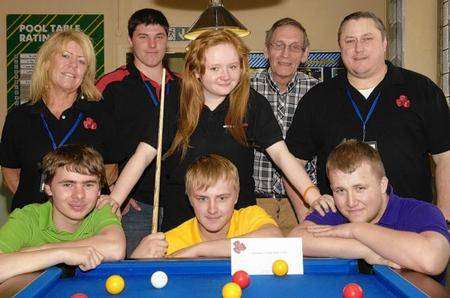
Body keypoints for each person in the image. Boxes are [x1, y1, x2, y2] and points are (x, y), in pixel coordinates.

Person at [106, 29, 335, 232]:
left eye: (232, 67)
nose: (226, 75)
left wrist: (311, 195)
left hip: (238, 221)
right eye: (215, 68)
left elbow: (281, 154)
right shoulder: (174, 99)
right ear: (196, 71)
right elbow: (144, 154)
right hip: (182, 221)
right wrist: (114, 201)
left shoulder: (252, 102)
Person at [285, 11, 450, 219]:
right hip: (339, 226)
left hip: (410, 223)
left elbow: (446, 158)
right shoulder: (317, 98)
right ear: (340, 48)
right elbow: (291, 163)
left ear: (384, 43)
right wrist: (306, 215)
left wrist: (445, 219)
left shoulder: (422, 90)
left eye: (367, 39)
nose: (358, 48)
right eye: (350, 40)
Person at [289, 140, 450, 283]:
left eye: (360, 188)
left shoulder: (421, 212)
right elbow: (295, 240)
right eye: (340, 190)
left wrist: (356, 230)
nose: (351, 202)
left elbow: (433, 260)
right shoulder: (333, 210)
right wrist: (365, 250)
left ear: (382, 185)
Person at [0, 29, 117, 211]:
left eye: (81, 61)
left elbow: (110, 169)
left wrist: (77, 206)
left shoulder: (101, 113)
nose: (73, 66)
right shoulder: (19, 117)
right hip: (32, 223)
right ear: (46, 62)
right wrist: (43, 209)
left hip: (86, 224)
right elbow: (9, 171)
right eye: (65, 56)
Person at [95, 8, 180, 254]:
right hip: (133, 205)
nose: (152, 45)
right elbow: (92, 145)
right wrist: (111, 191)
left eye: (159, 37)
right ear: (132, 41)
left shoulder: (184, 87)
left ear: (167, 40)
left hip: (179, 202)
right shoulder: (110, 85)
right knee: (130, 275)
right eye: (144, 37)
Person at [0, 145, 125, 283]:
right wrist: (61, 254)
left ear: (99, 190)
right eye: (67, 184)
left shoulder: (101, 209)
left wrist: (41, 249)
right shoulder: (28, 217)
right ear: (48, 187)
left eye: (88, 185)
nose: (79, 195)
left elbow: (116, 248)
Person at [131, 154, 281, 258]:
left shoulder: (250, 217)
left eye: (222, 198)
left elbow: (276, 240)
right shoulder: (169, 242)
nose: (212, 209)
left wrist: (197, 251)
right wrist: (136, 261)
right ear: (190, 199)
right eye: (202, 199)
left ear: (236, 196)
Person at [251, 18, 319, 230]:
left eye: (294, 47)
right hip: (254, 205)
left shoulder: (320, 93)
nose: (285, 54)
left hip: (305, 203)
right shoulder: (244, 92)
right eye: (278, 45)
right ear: (266, 50)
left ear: (305, 53)